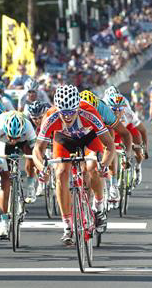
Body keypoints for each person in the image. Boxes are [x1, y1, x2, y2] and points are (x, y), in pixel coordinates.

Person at [32, 85, 116, 245]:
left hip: (89, 137)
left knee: (93, 168)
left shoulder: (89, 112)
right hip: (64, 140)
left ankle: (98, 207)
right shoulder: (51, 116)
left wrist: (104, 164)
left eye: (71, 112)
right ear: (57, 109)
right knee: (61, 173)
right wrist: (42, 168)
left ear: (78, 107)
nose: (67, 117)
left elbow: (109, 145)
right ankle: (67, 226)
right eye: (63, 113)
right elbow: (38, 149)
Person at [0, 111, 36, 238]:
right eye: (11, 137)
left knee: (31, 156)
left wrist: (41, 167)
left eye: (16, 137)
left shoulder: (27, 127)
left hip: (24, 142)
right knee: (5, 180)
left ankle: (31, 184)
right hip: (2, 144)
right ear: (6, 131)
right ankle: (4, 221)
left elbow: (37, 152)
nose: (13, 140)